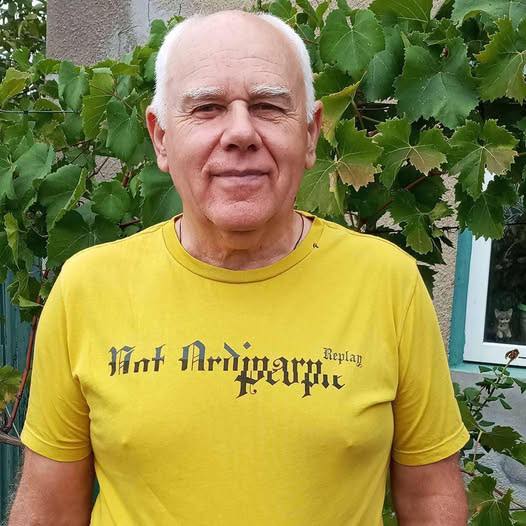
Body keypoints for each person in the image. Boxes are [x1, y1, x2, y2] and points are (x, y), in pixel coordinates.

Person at [8, 9, 469, 526]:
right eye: (206, 108)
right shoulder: (87, 288)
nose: (241, 132)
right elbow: (49, 509)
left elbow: (430, 499)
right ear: (161, 138)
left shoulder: (388, 283)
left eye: (269, 107)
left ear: (311, 134)